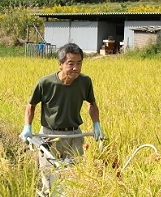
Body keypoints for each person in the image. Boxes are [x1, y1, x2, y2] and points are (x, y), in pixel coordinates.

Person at [19, 43, 104, 188]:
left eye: (79, 63)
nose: (75, 68)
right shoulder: (45, 83)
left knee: (75, 175)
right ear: (60, 64)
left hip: (74, 135)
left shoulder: (85, 82)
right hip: (50, 135)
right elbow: (31, 106)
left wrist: (97, 125)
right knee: (49, 174)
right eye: (70, 64)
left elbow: (92, 104)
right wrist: (27, 127)